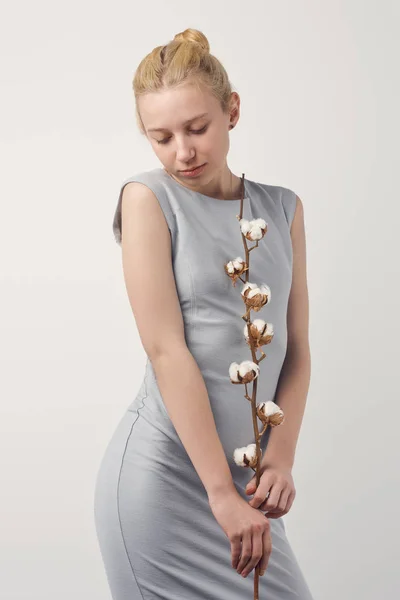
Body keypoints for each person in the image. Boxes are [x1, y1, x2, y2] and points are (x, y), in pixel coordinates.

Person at [94, 28, 313, 600]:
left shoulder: (282, 208)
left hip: (247, 484)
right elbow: (166, 351)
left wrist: (281, 461)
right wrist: (218, 492)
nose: (181, 152)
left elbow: (296, 349)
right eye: (160, 137)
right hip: (167, 478)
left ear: (232, 110)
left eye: (197, 128)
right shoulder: (147, 199)